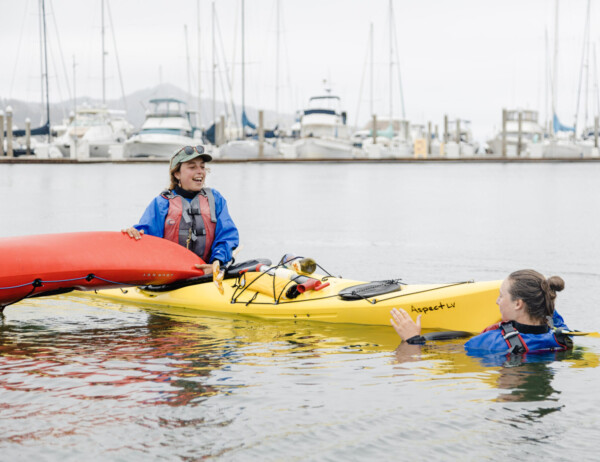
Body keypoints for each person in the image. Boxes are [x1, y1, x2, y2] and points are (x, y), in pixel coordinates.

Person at [391, 269, 573, 354]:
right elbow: (552, 314)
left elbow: (450, 352)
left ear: (518, 304)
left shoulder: (491, 342)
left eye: (501, 296)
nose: (496, 301)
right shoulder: (562, 335)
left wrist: (412, 340)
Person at [122, 145, 239, 275]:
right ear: (177, 173)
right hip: (171, 274)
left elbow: (227, 235)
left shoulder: (215, 199)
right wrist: (133, 233)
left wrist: (217, 262)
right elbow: (146, 236)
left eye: (202, 166)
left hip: (208, 272)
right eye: (192, 167)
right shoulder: (162, 203)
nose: (200, 171)